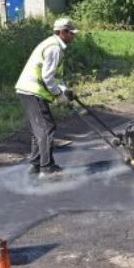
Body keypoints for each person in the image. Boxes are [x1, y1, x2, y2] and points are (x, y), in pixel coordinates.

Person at [15, 17, 78, 175]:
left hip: (30, 89)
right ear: (62, 32)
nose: (73, 36)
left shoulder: (53, 44)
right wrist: (58, 94)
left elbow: (55, 76)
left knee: (40, 129)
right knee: (46, 128)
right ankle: (46, 168)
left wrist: (65, 90)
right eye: (71, 33)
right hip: (32, 90)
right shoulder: (54, 48)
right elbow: (47, 77)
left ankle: (36, 164)